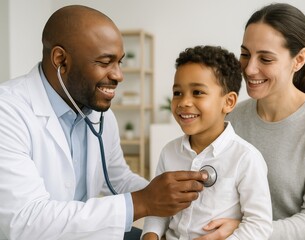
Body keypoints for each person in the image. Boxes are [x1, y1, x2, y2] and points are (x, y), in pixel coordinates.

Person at [0, 5, 208, 240]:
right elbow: (24, 221)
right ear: (61, 60)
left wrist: (180, 198)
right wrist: (143, 202)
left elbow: (117, 179)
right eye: (104, 62)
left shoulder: (99, 114)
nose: (118, 75)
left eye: (119, 62)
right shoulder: (7, 111)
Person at [201, 3, 305, 240]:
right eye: (245, 54)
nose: (249, 69)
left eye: (266, 59)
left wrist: (245, 229)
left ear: (299, 59)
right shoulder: (233, 118)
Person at [141, 45, 273, 240]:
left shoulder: (245, 158)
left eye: (197, 92)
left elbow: (259, 225)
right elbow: (158, 208)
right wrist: (149, 236)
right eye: (177, 93)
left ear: (228, 102)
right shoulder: (169, 152)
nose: (184, 102)